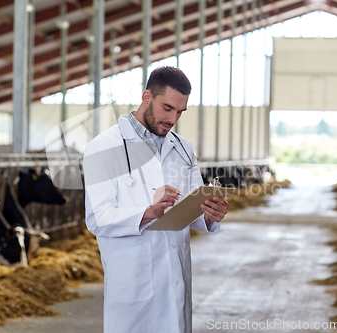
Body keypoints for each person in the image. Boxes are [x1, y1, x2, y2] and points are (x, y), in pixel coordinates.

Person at [83, 66, 228, 333]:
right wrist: (149, 212)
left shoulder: (183, 147)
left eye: (180, 112)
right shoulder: (103, 147)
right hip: (133, 283)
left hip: (176, 278)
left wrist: (208, 213)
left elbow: (191, 205)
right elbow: (97, 218)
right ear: (146, 97)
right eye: (167, 108)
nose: (173, 119)